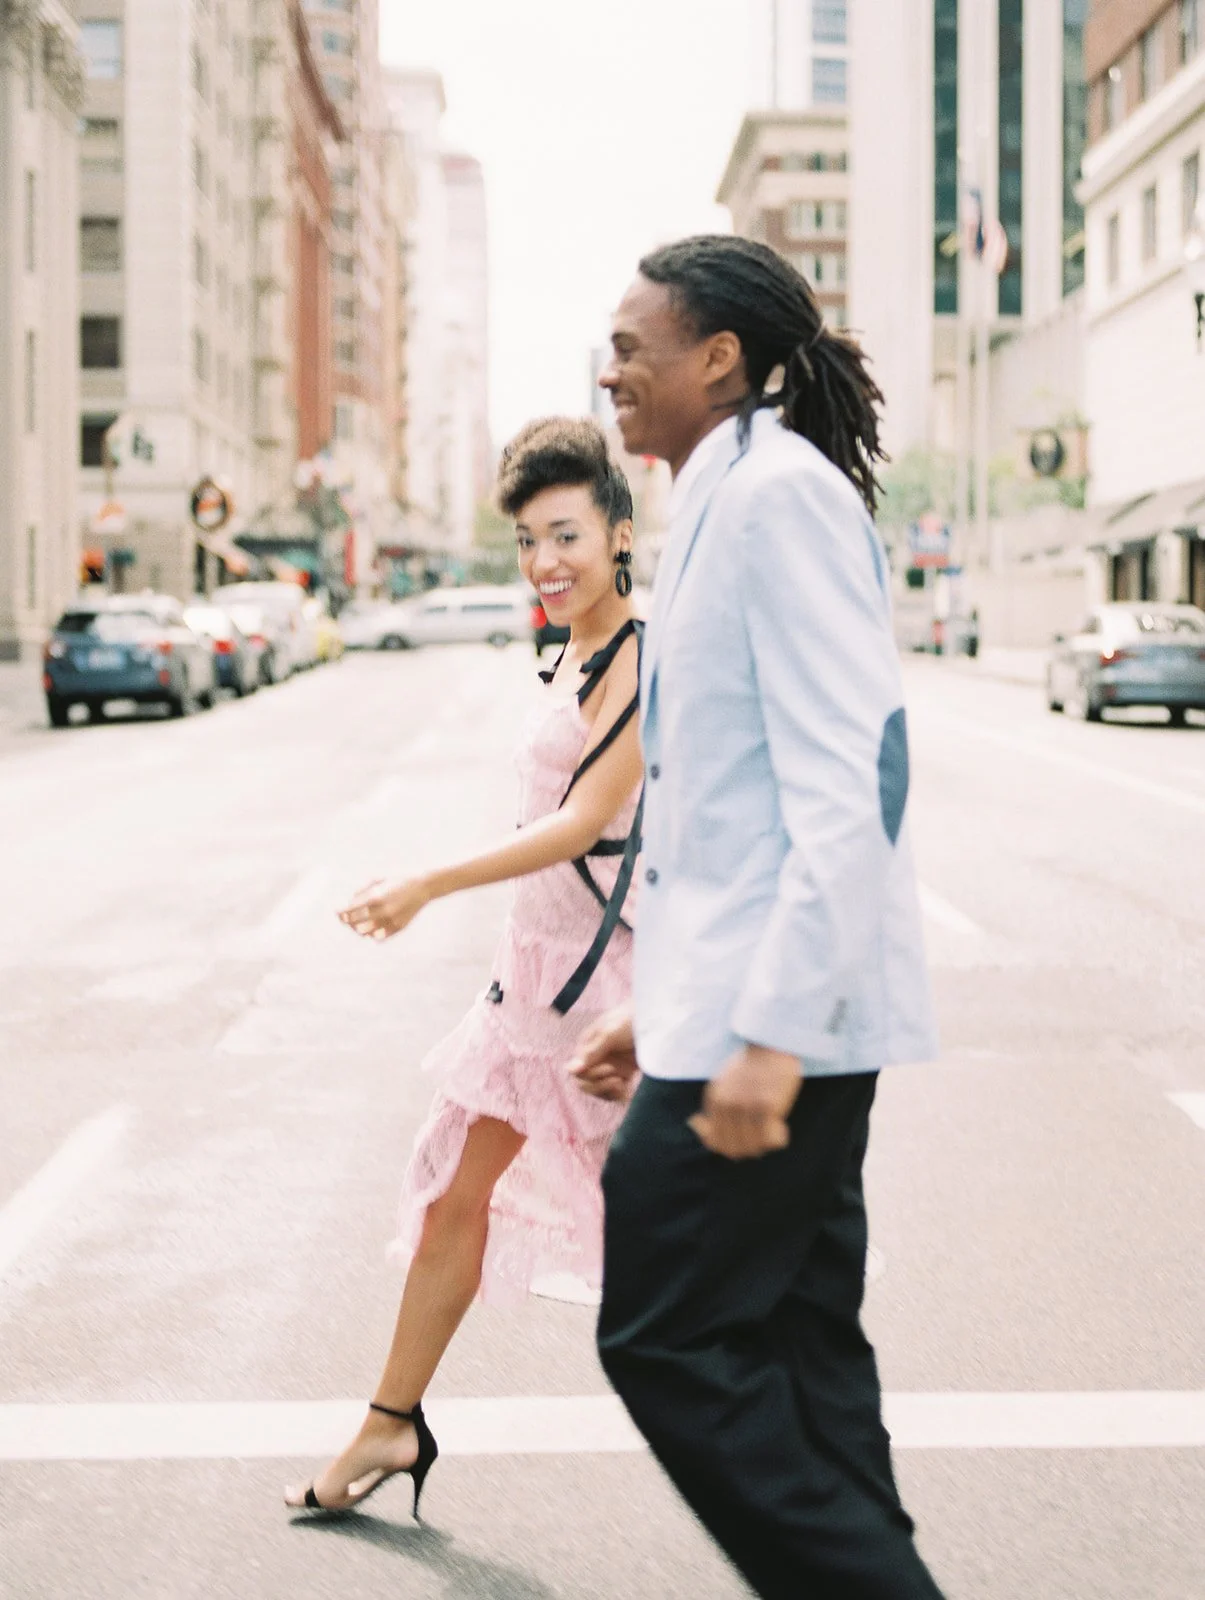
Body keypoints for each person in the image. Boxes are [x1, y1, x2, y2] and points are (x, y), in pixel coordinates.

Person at [571, 236, 947, 1599]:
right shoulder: (724, 497)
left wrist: (768, 1035)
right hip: (736, 1003)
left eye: (632, 345)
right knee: (798, 1352)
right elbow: (731, 805)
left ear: (717, 357)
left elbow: (851, 781)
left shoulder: (776, 499)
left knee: (663, 1334)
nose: (609, 371)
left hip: (779, 1023)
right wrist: (651, 1001)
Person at [285, 418, 643, 1516]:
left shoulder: (639, 657)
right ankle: (391, 1423)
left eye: (567, 535)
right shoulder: (572, 645)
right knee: (453, 1198)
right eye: (530, 540)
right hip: (532, 983)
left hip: (609, 997)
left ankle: (803, 1457)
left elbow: (586, 819)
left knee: (686, 1237)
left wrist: (426, 882)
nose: (545, 562)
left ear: (619, 534)